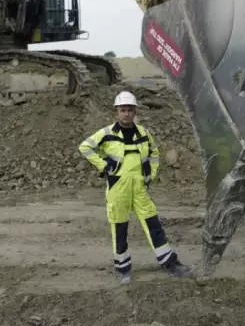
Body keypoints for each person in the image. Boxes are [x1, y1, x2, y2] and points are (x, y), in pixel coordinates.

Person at [78, 90, 193, 284]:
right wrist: (104, 166)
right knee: (119, 229)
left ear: (134, 112)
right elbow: (85, 147)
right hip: (118, 189)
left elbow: (154, 153)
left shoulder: (143, 133)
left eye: (130, 110)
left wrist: (151, 174)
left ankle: (170, 263)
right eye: (123, 110)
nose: (127, 113)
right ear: (116, 112)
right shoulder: (106, 134)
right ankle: (123, 269)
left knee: (154, 225)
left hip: (139, 188)